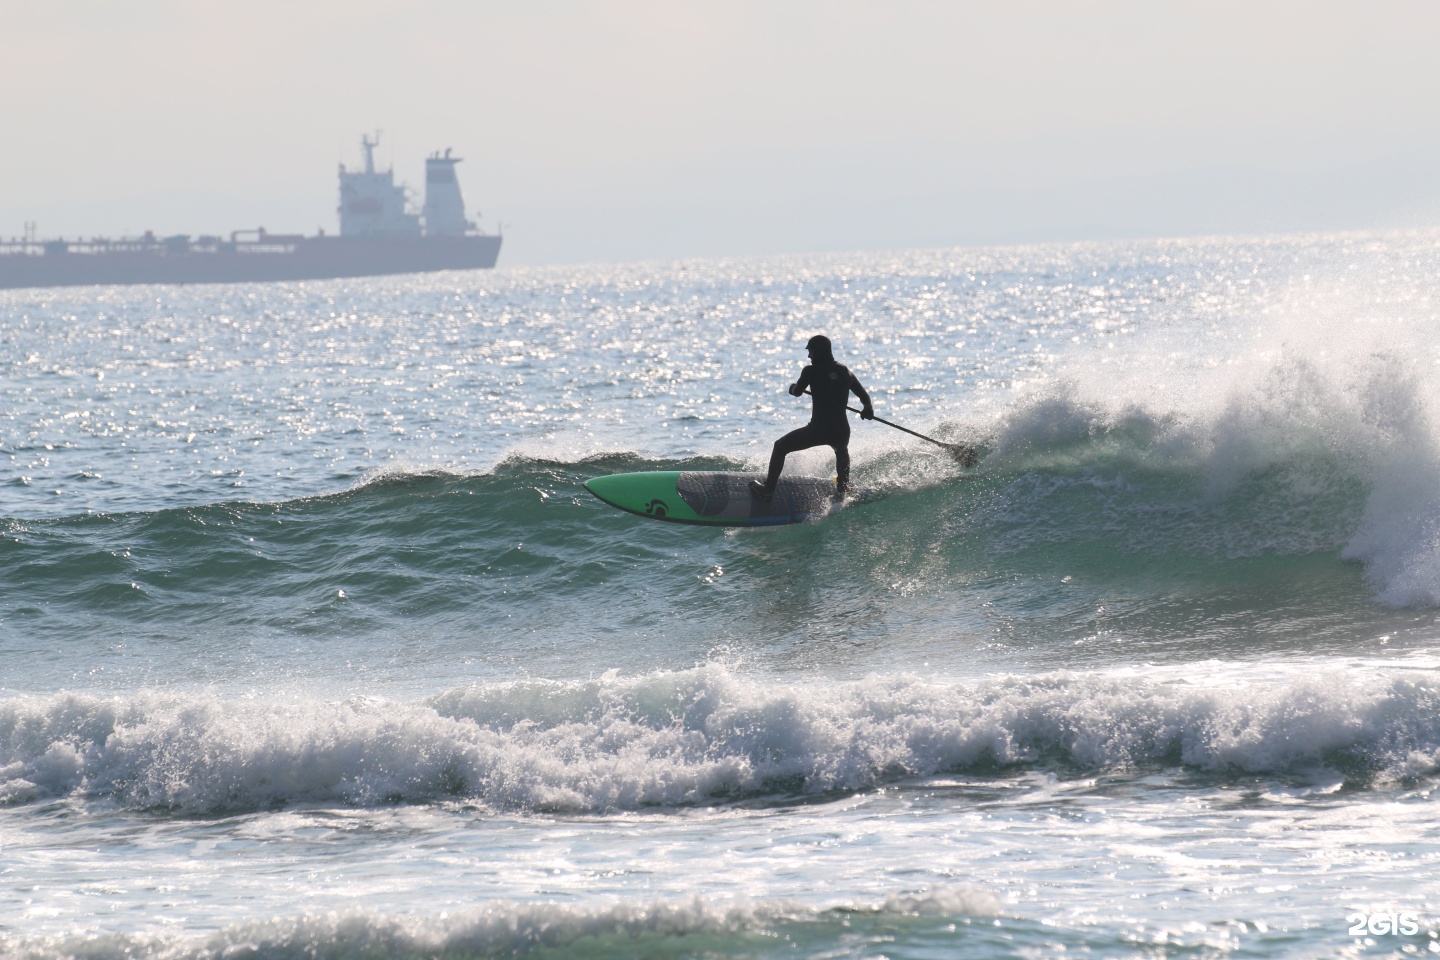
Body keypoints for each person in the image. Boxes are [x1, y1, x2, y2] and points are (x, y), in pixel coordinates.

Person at [750, 335, 874, 501]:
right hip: (841, 430)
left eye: (811, 352)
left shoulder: (810, 371)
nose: (809, 356)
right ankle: (843, 489)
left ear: (818, 352)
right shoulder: (845, 371)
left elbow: (797, 392)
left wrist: (793, 388)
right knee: (841, 451)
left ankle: (768, 489)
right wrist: (867, 409)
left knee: (780, 446)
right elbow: (864, 396)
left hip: (818, 430)